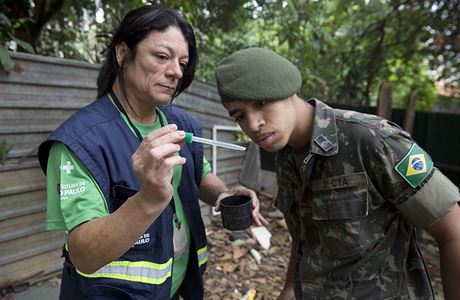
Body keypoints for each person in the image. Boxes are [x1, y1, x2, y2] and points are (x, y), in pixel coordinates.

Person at [37, 6, 267, 300]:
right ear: (123, 53)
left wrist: (223, 194)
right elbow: (84, 254)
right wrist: (147, 198)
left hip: (174, 288)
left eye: (182, 62)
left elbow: (199, 176)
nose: (176, 72)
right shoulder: (81, 141)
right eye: (161, 57)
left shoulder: (180, 124)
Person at [214, 47, 460, 299]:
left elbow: (454, 231)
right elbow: (306, 238)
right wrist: (289, 290)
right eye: (240, 116)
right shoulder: (287, 155)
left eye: (261, 103)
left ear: (287, 88)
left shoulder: (373, 140)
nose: (253, 125)